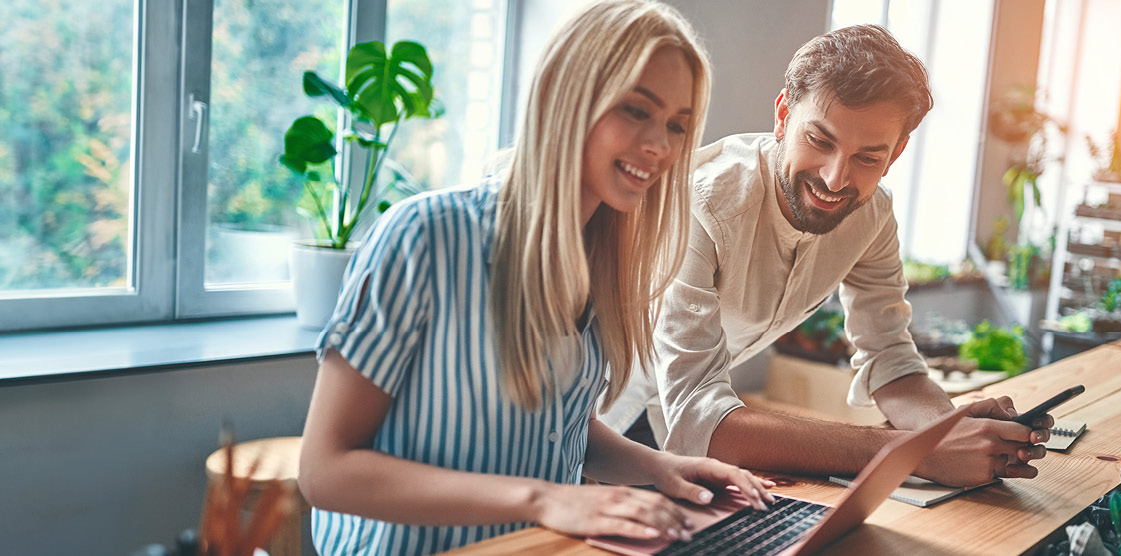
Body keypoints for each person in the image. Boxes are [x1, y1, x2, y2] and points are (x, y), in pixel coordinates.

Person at [297, 2, 772, 555]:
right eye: (636, 111)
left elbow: (556, 432)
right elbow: (324, 470)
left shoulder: (601, 260)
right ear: (568, 98)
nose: (660, 146)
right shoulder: (424, 236)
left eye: (676, 126)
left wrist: (665, 468)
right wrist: (544, 499)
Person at [601, 24, 1054, 488]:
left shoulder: (872, 215)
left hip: (688, 428)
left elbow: (891, 360)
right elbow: (700, 420)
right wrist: (917, 453)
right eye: (820, 141)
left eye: (867, 158)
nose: (836, 179)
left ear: (896, 154)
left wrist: (952, 429)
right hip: (598, 422)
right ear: (783, 116)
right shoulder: (700, 206)